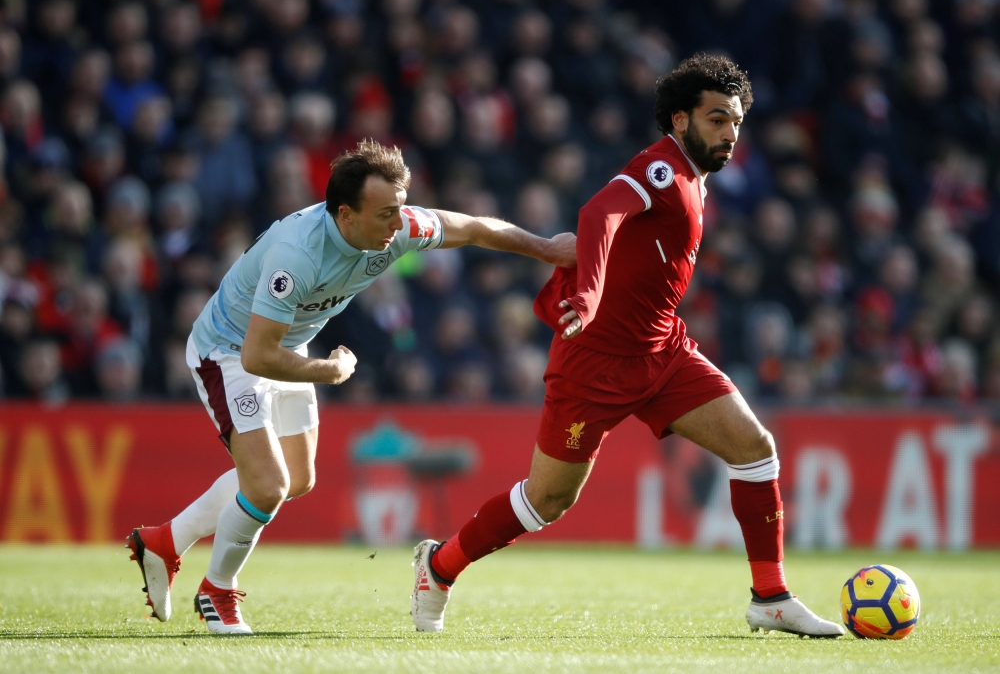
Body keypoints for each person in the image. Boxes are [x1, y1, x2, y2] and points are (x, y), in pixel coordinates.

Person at [411, 54, 845, 638]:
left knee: (755, 448)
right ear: (680, 120)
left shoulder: (697, 176)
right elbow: (600, 212)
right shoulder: (661, 167)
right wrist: (587, 293)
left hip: (663, 352)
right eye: (717, 119)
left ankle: (770, 596)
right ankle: (438, 567)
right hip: (594, 363)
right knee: (545, 502)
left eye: (737, 121)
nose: (730, 133)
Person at [125, 139, 576, 635]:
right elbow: (256, 355)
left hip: (286, 344)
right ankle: (217, 591)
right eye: (385, 214)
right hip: (230, 351)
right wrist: (328, 371)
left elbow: (471, 229)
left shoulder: (396, 227)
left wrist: (545, 248)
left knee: (296, 480)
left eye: (400, 209)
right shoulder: (296, 255)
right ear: (345, 215)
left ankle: (165, 541)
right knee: (268, 486)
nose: (398, 223)